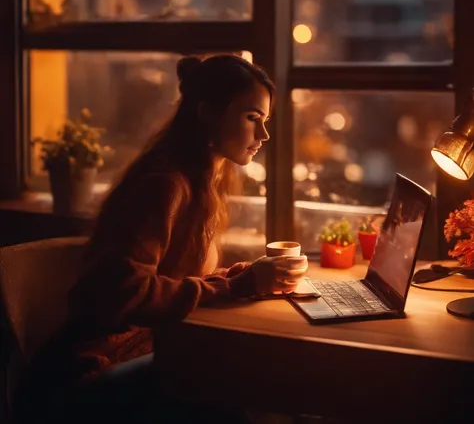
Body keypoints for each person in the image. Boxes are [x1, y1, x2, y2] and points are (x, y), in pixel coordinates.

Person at [14, 54, 308, 424]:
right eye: (253, 118)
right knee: (225, 381)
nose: (263, 135)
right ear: (207, 112)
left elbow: (172, 284)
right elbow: (126, 291)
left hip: (144, 355)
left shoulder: (201, 183)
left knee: (247, 375)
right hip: (87, 377)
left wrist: (241, 278)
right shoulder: (164, 185)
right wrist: (235, 288)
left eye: (265, 121)